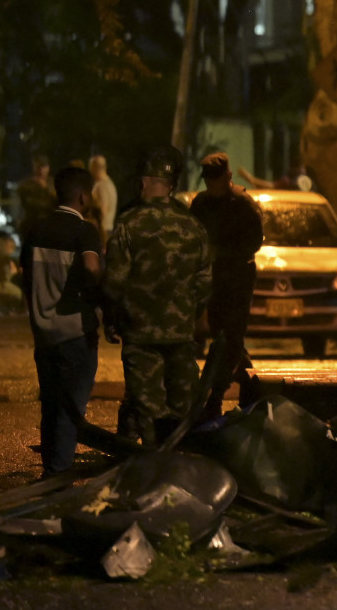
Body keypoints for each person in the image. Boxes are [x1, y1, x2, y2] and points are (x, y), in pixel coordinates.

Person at [104, 146, 214, 443]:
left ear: (143, 183)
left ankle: (149, 471)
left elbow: (114, 281)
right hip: (180, 335)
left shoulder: (129, 224)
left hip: (141, 337)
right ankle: (179, 469)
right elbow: (204, 282)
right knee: (181, 411)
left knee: (148, 409)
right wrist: (187, 313)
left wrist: (112, 319)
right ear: (171, 186)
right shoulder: (193, 227)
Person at [19, 166, 103, 474]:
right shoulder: (85, 230)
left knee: (50, 407)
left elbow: (26, 277)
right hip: (75, 333)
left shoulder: (36, 229)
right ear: (83, 196)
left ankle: (49, 472)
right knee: (70, 410)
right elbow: (92, 267)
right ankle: (58, 477)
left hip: (44, 334)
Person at [189, 152, 264, 418]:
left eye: (215, 180)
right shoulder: (201, 203)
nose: (211, 185)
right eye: (207, 180)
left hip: (238, 279)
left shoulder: (243, 204)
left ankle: (216, 397)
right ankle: (251, 387)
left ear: (228, 177)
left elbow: (254, 242)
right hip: (214, 280)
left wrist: (220, 251)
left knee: (230, 338)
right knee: (225, 339)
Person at [17, 155, 56, 238]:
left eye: (43, 167)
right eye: (38, 167)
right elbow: (30, 204)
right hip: (32, 226)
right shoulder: (26, 186)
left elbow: (57, 202)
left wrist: (46, 189)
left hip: (50, 227)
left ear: (48, 168)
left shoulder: (53, 184)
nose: (41, 170)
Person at [88, 155, 119, 236]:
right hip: (105, 230)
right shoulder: (108, 183)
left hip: (102, 232)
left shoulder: (102, 186)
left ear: (95, 167)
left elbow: (103, 210)